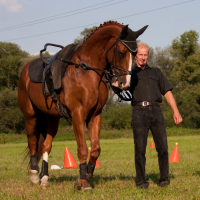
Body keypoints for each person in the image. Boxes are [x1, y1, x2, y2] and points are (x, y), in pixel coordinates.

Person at [129, 42, 182, 189]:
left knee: (163, 147)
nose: (143, 58)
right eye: (140, 55)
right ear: (135, 56)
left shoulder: (156, 72)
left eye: (145, 55)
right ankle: (141, 181)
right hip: (139, 112)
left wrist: (175, 111)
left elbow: (167, 92)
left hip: (157, 112)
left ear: (148, 56)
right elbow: (119, 87)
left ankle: (164, 179)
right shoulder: (130, 74)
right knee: (140, 149)